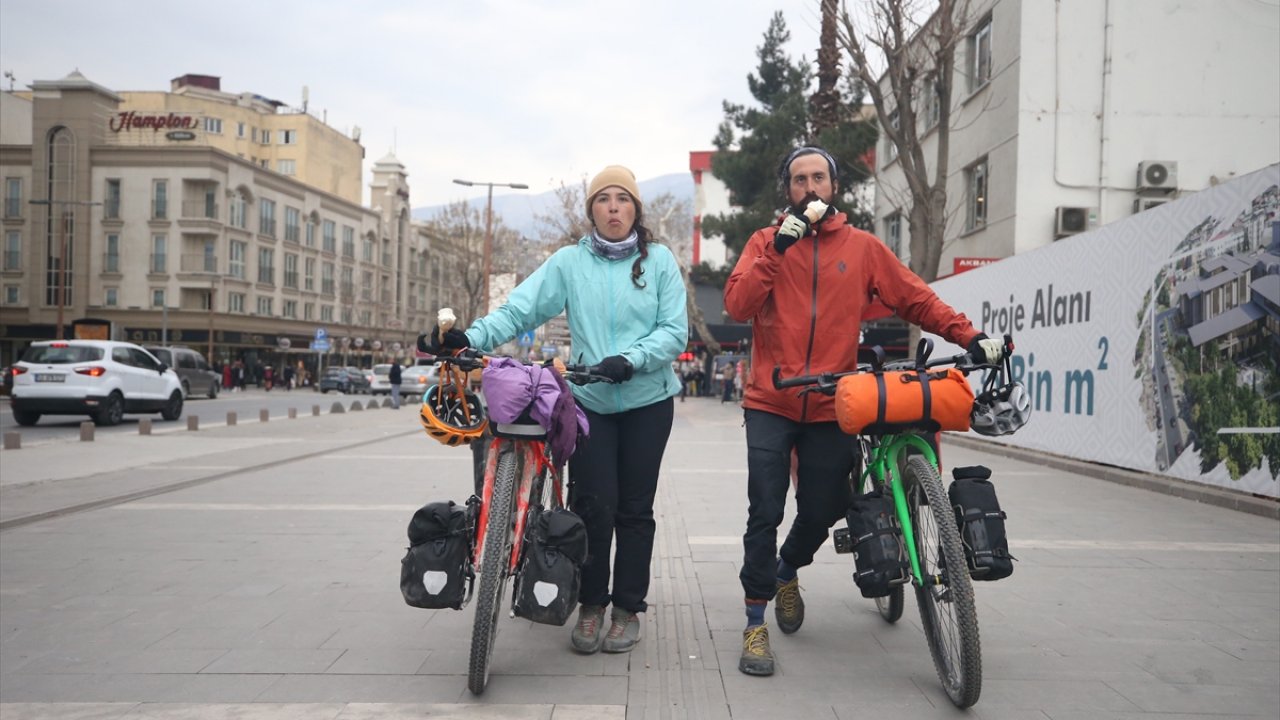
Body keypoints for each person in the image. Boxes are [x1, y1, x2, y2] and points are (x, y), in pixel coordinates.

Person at [723, 146, 1006, 677]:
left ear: (833, 187)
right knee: (764, 508)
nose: (810, 187)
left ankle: (787, 570)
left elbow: (917, 299)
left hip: (833, 401)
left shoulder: (861, 247)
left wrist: (973, 336)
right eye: (800, 179)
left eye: (819, 178)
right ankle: (754, 622)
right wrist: (775, 251)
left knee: (826, 507)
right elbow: (737, 306)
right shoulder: (765, 243)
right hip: (771, 399)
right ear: (788, 190)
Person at [421, 165, 687, 655]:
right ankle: (590, 604)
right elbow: (519, 309)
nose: (613, 207)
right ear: (591, 210)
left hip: (648, 401)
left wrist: (630, 360)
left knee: (634, 509)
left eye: (622, 199)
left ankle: (627, 609)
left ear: (635, 209)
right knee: (593, 506)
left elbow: (674, 331)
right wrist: (467, 338)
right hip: (588, 403)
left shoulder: (662, 262)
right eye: (603, 199)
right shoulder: (569, 263)